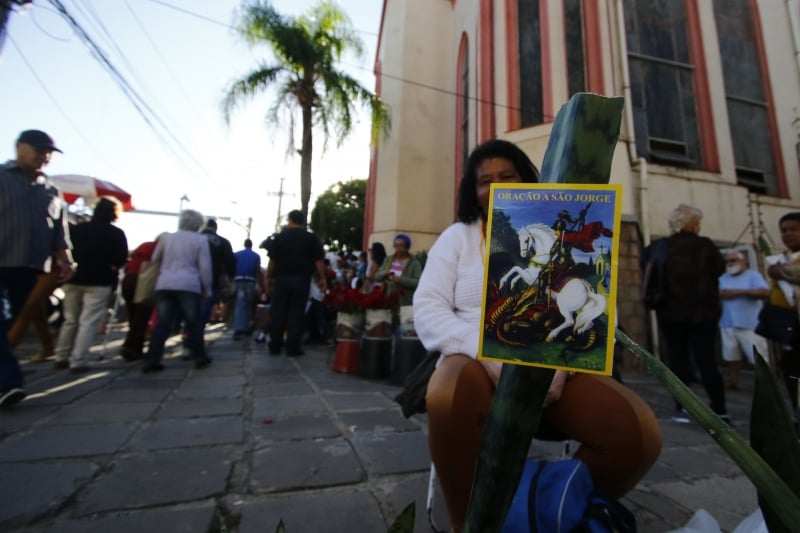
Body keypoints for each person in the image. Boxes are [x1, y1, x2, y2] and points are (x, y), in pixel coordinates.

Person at [413, 139, 662, 531]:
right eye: (484, 180)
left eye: (506, 176)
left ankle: (545, 510)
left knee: (636, 434)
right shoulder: (457, 237)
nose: (494, 185)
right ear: (472, 190)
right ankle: (468, 524)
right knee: (446, 393)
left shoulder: (552, 233)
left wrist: (561, 359)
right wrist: (486, 350)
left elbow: (597, 299)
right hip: (475, 361)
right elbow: (428, 307)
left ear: (525, 178)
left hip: (553, 359)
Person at [0, 130, 75, 407]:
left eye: (49, 153)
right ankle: (8, 382)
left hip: (30, 267)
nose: (45, 156)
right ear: (20, 147)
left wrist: (65, 259)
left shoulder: (51, 191)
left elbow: (59, 232)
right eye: (39, 150)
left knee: (15, 321)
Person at [643, 204, 728, 423]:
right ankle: (719, 408)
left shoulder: (660, 247)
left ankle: (682, 407)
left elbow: (646, 268)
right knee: (706, 360)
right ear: (694, 224)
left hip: (670, 313)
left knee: (677, 359)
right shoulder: (705, 246)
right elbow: (719, 269)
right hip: (703, 315)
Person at [53, 198, 129, 372]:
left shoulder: (78, 230)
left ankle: (61, 356)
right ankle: (78, 360)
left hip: (74, 278)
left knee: (70, 319)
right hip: (100, 280)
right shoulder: (115, 233)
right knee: (88, 321)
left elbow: (65, 249)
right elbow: (121, 259)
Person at [142, 209, 213, 373]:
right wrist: (207, 288)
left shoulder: (166, 238)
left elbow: (154, 259)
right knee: (192, 322)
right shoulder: (200, 240)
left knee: (162, 324)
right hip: (189, 283)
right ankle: (199, 356)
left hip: (165, 282)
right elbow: (205, 267)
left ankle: (153, 359)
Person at [265, 210, 327, 356]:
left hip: (282, 279)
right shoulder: (311, 238)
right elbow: (318, 261)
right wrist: (323, 278)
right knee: (297, 313)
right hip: (301, 280)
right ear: (303, 221)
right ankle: (292, 347)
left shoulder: (280, 237)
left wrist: (268, 277)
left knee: (278, 312)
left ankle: (275, 344)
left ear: (290, 220)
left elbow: (272, 260)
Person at [766, 211, 800, 425]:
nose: (787, 234)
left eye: (793, 229)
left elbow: (791, 273)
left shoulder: (786, 264)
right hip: (791, 324)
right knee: (791, 368)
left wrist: (779, 271)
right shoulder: (786, 257)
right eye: (784, 230)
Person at [718, 249, 769, 390]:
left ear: (743, 261)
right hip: (728, 323)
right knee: (731, 356)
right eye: (727, 261)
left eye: (733, 260)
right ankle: (733, 381)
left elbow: (764, 293)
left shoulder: (753, 276)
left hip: (750, 324)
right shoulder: (723, 278)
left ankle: (766, 385)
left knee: (758, 358)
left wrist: (740, 292)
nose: (729, 263)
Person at [119, 238, 159, 360]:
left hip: (128, 279)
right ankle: (131, 346)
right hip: (144, 281)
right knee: (142, 315)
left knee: (133, 315)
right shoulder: (158, 248)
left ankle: (136, 346)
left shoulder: (144, 245)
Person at [199, 218, 235, 327]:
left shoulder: (194, 238)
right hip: (213, 280)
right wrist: (230, 279)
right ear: (215, 228)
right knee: (204, 311)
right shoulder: (223, 242)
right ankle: (196, 336)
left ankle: (187, 331)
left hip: (191, 280)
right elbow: (230, 262)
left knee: (191, 310)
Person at [374, 233, 422, 307]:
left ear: (407, 247)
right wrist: (383, 274)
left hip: (405, 301)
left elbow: (418, 282)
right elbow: (376, 277)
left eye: (401, 245)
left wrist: (400, 280)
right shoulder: (388, 260)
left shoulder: (414, 263)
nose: (398, 248)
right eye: (396, 245)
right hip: (388, 299)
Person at [232, 238, 261, 339]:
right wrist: (259, 285)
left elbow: (232, 267)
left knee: (240, 304)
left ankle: (238, 327)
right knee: (249, 304)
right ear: (251, 245)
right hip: (250, 281)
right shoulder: (256, 256)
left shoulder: (236, 255)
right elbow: (257, 270)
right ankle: (246, 326)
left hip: (239, 280)